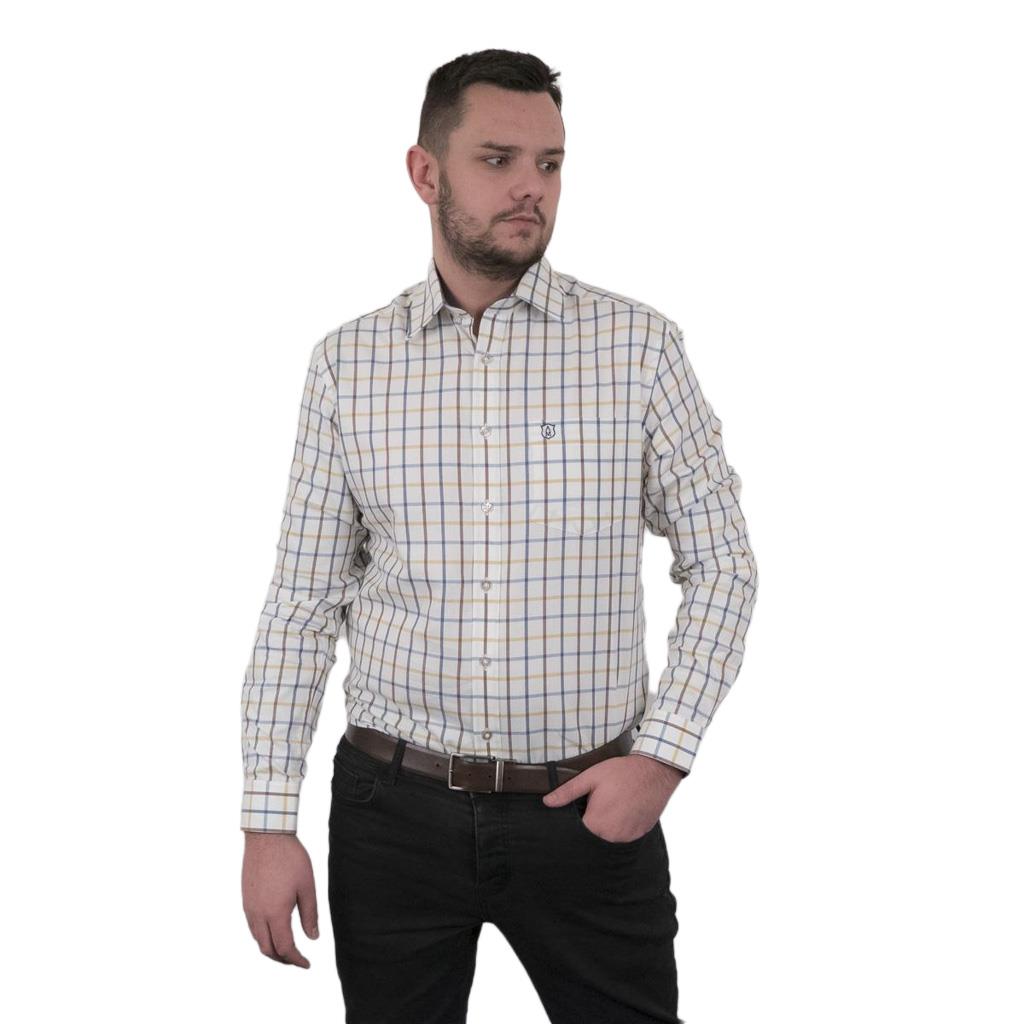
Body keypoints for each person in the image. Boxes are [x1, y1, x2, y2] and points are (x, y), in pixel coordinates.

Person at [240, 48, 758, 1024]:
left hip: (588, 812)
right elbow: (302, 603)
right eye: (498, 159)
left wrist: (661, 757)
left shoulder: (637, 349)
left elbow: (723, 563)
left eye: (549, 163)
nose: (531, 187)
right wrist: (268, 821)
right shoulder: (348, 365)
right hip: (391, 815)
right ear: (425, 172)